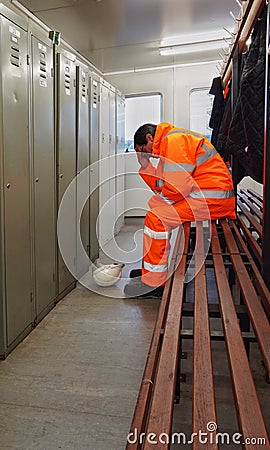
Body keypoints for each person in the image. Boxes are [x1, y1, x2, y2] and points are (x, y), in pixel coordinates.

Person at [124, 122, 236, 298]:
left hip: (212, 200)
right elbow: (161, 187)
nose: (146, 155)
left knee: (156, 219)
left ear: (149, 138)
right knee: (156, 212)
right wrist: (145, 166)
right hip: (206, 197)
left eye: (143, 150)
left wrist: (158, 204)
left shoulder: (174, 142)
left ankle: (153, 283)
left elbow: (176, 190)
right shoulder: (167, 147)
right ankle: (151, 271)